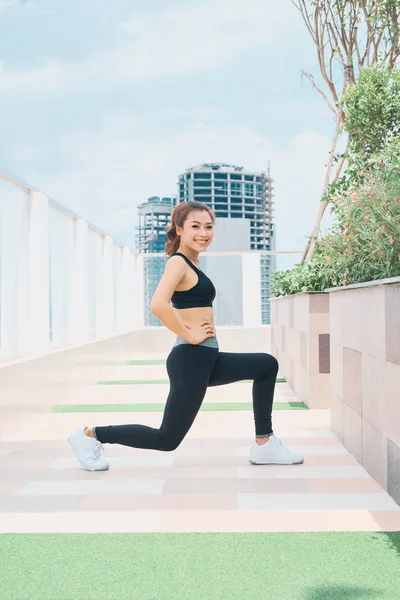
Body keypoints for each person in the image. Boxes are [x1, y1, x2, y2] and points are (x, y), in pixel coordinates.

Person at [68, 200, 304, 471]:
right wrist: (190, 335)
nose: (203, 233)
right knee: (166, 438)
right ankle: (90, 435)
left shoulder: (192, 263)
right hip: (192, 359)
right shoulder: (178, 263)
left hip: (205, 358)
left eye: (208, 227)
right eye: (195, 226)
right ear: (179, 229)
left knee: (265, 365)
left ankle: (264, 443)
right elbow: (158, 304)